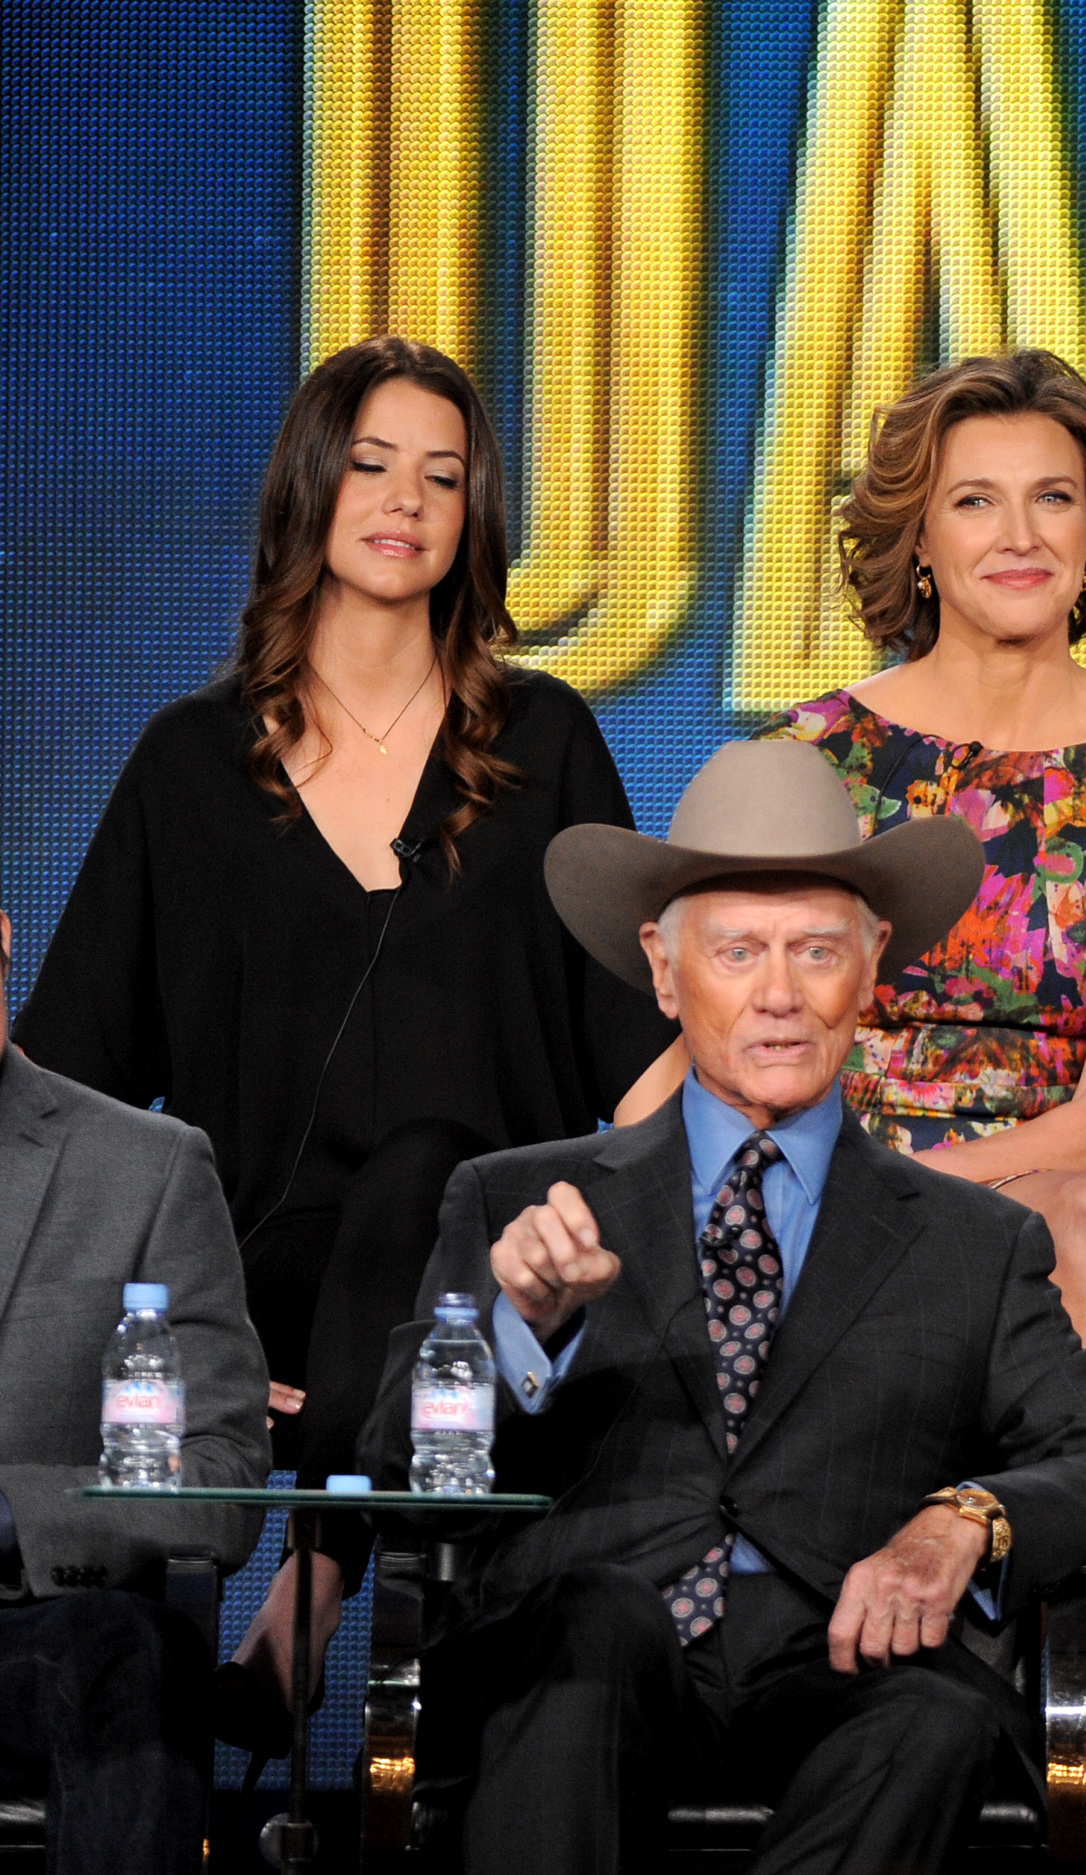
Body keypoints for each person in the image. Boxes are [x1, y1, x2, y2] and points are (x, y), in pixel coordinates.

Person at [12, 335, 683, 1736]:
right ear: (311, 485)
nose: (407, 499)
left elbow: (651, 1057)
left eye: (444, 476)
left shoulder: (547, 739)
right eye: (374, 463)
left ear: (473, 517)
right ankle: (311, 1594)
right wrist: (183, 1328)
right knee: (372, 1201)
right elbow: (61, 1086)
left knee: (436, 1165)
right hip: (255, 1281)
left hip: (499, 1288)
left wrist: (598, 1254)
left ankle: (304, 1604)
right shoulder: (189, 766)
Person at [363, 737, 1086, 1875]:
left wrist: (967, 1519)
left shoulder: (973, 1240)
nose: (781, 994)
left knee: (942, 1715)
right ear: (662, 966)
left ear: (876, 961)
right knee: (595, 1624)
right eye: (739, 951)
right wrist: (513, 1330)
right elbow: (397, 1484)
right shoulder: (517, 1199)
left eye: (817, 950)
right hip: (581, 1665)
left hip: (842, 1663)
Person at [757, 349, 1086, 1777]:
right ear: (921, 533)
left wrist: (901, 1189)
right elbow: (727, 1033)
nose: (1019, 534)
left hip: (1048, 1205)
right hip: (816, 1201)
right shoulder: (817, 752)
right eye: (978, 500)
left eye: (1053, 498)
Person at [0, 903, 269, 1872]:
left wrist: (19, 1511)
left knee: (132, 1652)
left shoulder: (144, 1166)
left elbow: (228, 1473)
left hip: (36, 1631)